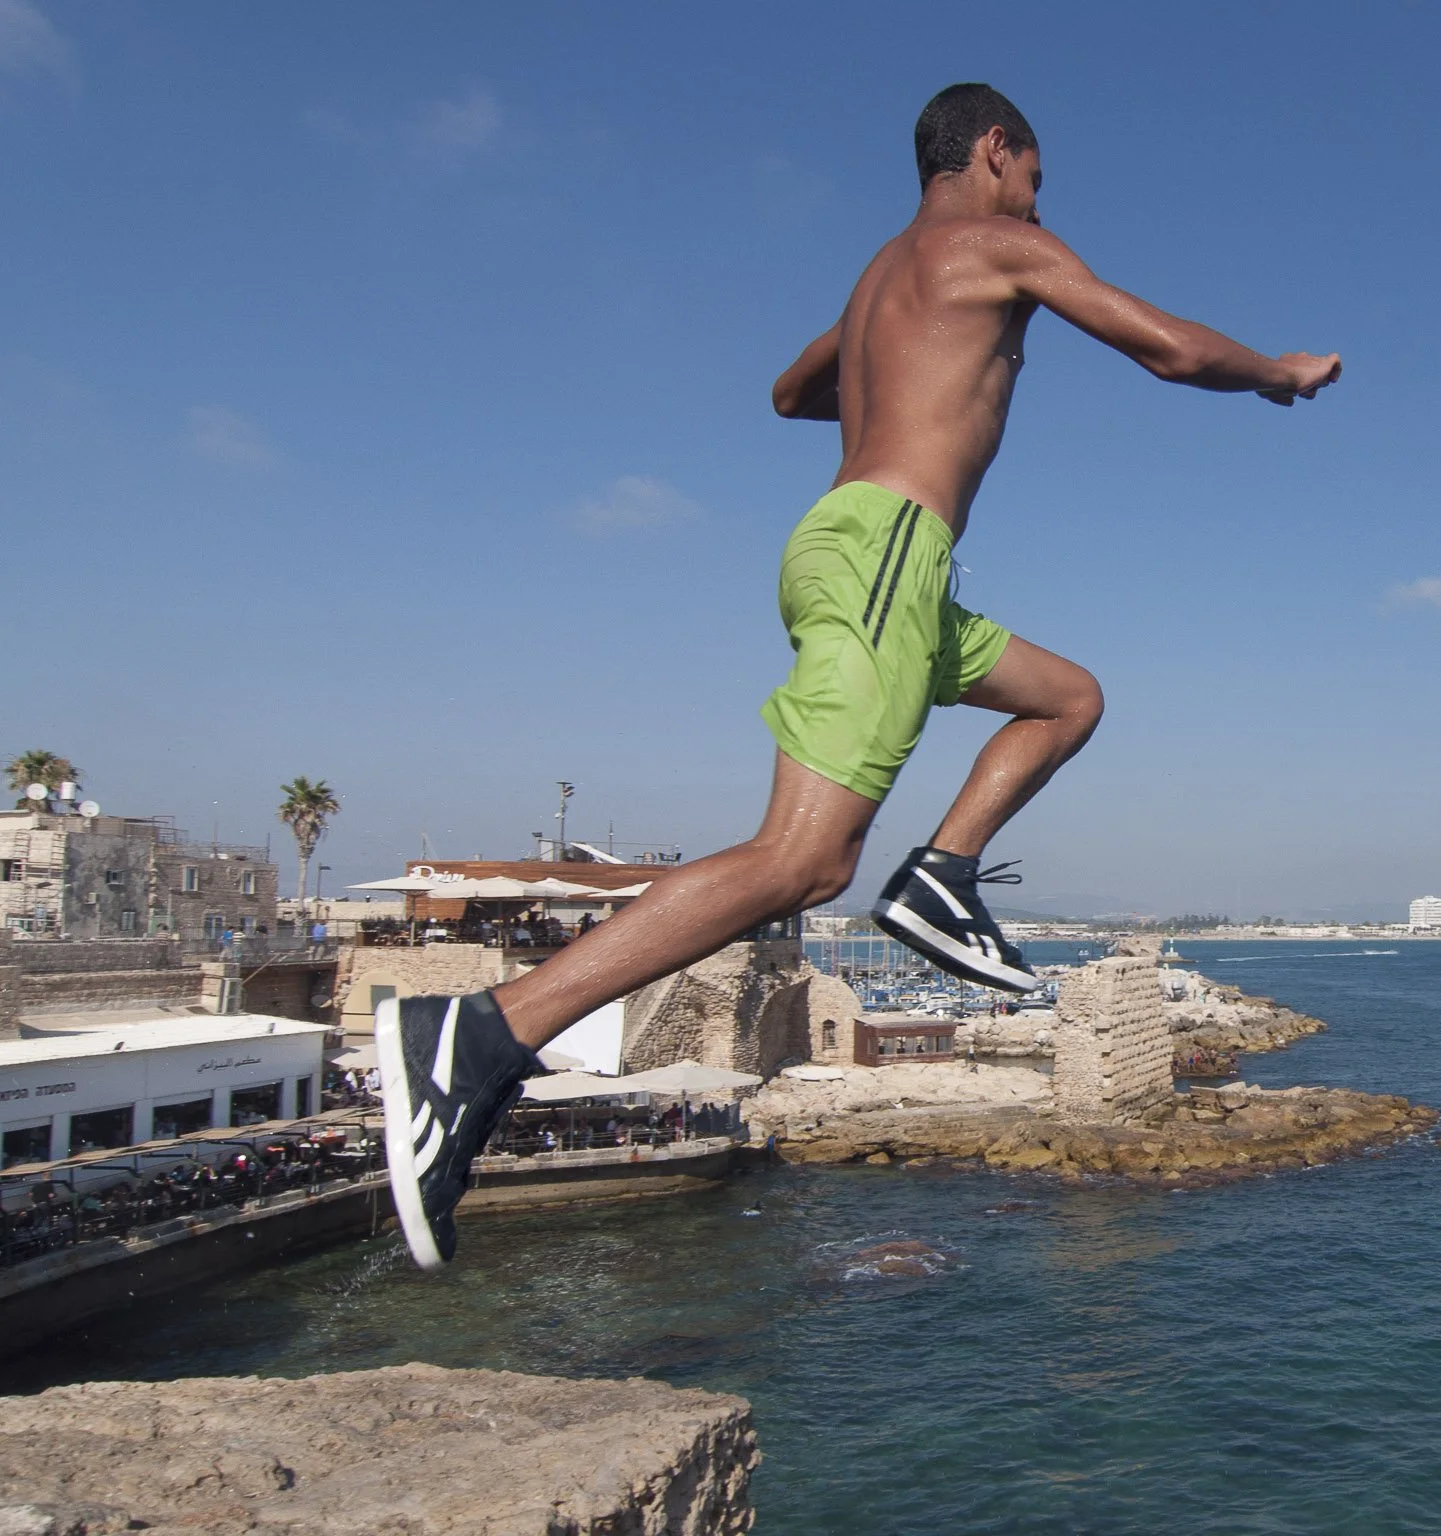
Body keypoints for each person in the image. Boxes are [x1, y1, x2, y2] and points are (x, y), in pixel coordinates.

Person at [373, 82, 1338, 1270]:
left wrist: (896, 361)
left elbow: (790, 393)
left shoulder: (886, 273)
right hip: (886, 552)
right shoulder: (999, 244)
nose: (1041, 203)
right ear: (996, 153)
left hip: (881, 564)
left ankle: (941, 875)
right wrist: (1276, 371)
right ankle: (476, 1037)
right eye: (1036, 177)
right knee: (803, 859)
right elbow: (1169, 348)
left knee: (1067, 696)